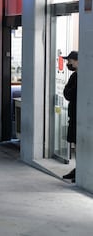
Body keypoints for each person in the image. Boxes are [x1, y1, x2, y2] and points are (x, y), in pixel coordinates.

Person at [62, 51, 78, 183]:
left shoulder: (81, 76)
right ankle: (77, 170)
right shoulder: (74, 75)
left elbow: (70, 93)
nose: (68, 63)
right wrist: (69, 92)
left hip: (79, 117)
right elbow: (66, 92)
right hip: (74, 116)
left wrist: (69, 92)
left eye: (70, 60)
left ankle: (79, 171)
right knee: (76, 143)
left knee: (79, 144)